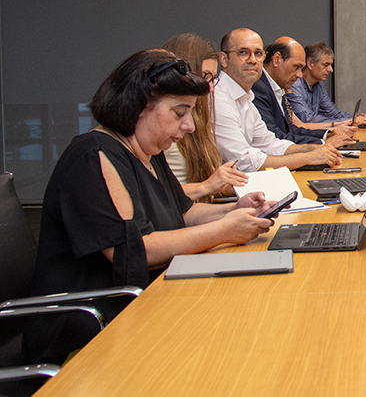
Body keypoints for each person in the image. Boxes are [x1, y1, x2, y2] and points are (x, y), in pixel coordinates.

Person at [26, 49, 276, 364]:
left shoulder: (148, 151)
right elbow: (134, 251)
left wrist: (234, 210)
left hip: (142, 304)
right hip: (89, 329)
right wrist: (224, 231)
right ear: (140, 107)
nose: (190, 126)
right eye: (179, 113)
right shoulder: (94, 157)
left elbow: (182, 214)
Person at [214, 28, 343, 171]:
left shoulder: (246, 99)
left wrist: (317, 148)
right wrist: (309, 157)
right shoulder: (218, 99)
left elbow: (269, 144)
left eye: (258, 54)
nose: (253, 60)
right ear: (224, 60)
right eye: (243, 53)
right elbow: (244, 162)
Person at [160, 33, 248, 202]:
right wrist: (208, 186)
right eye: (205, 76)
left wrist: (233, 185)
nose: (211, 88)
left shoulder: (198, 118)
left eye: (212, 79)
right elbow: (156, 198)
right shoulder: (163, 126)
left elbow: (204, 187)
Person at [251, 36, 354, 146]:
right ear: (277, 59)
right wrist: (323, 142)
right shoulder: (258, 87)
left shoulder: (276, 86)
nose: (300, 75)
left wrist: (327, 134)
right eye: (296, 67)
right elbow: (276, 137)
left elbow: (291, 130)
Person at [289, 42, 366, 127]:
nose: (330, 70)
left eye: (330, 65)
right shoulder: (294, 85)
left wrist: (356, 118)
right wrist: (351, 121)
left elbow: (332, 112)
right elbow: (307, 120)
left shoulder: (318, 84)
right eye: (325, 65)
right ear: (310, 64)